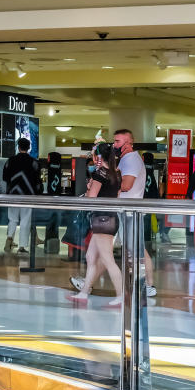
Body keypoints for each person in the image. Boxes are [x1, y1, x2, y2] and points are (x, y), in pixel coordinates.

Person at [67, 142, 123, 307]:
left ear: (98, 157)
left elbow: (91, 199)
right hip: (110, 218)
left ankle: (121, 295)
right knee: (91, 257)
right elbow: (117, 195)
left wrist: (89, 187)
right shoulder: (117, 173)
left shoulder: (100, 174)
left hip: (101, 220)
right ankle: (84, 292)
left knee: (107, 259)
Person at [114, 129, 156, 296]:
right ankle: (144, 284)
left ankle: (148, 285)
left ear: (128, 143)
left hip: (131, 212)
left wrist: (107, 182)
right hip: (126, 211)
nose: (114, 145)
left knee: (137, 250)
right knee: (133, 249)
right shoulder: (126, 159)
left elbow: (126, 185)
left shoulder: (131, 159)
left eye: (117, 141)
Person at [4, 137, 43, 254]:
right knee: (25, 221)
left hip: (12, 194)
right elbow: (38, 181)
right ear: (29, 148)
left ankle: (9, 239)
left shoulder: (10, 160)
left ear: (18, 147)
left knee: (12, 219)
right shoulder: (34, 162)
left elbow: (5, 177)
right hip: (28, 196)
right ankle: (21, 246)